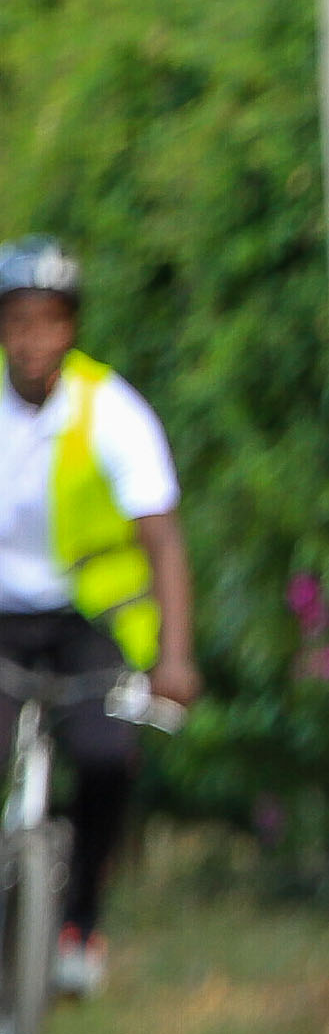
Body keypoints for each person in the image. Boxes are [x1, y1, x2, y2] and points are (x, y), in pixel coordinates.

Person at [0, 238, 197, 995]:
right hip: (4, 616)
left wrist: (175, 657)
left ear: (71, 327)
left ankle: (78, 922)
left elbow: (163, 537)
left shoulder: (111, 410)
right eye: (18, 322)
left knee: (109, 757)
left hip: (86, 621)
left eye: (49, 322)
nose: (33, 340)